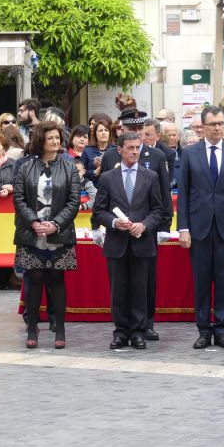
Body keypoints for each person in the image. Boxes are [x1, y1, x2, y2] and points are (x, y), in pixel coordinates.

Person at [177, 105, 224, 350]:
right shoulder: (189, 154)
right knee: (200, 281)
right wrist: (183, 228)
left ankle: (221, 329)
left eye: (221, 123)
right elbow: (184, 194)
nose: (218, 128)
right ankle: (203, 330)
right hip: (198, 228)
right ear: (203, 126)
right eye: (213, 124)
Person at [93, 133, 164, 349]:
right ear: (120, 150)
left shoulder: (150, 176)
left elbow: (158, 209)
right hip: (117, 243)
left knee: (140, 289)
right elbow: (99, 211)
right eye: (131, 148)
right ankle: (121, 332)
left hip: (142, 242)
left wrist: (145, 225)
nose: (135, 151)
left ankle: (138, 331)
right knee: (119, 289)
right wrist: (114, 223)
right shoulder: (107, 178)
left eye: (137, 148)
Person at [13, 121, 80, 349]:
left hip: (58, 234)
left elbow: (73, 201)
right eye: (50, 137)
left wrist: (56, 224)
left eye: (57, 137)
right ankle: (32, 328)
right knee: (34, 280)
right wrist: (33, 221)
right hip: (31, 234)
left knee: (57, 281)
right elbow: (19, 199)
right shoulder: (25, 167)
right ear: (40, 140)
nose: (55, 141)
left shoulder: (69, 167)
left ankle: (59, 328)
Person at [81, 120, 114, 188]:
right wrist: (95, 172)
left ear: (110, 133)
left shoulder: (115, 150)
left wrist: (103, 167)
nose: (104, 133)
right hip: (93, 189)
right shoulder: (87, 151)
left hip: (112, 188)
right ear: (95, 134)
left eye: (106, 130)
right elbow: (81, 172)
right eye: (100, 130)